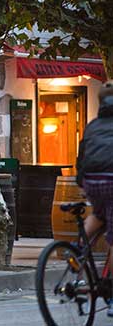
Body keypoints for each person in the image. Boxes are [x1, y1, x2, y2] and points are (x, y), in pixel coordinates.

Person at [76, 81, 113, 316]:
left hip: (91, 180)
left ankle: (75, 249)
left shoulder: (92, 126)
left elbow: (82, 156)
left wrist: (82, 181)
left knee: (99, 214)